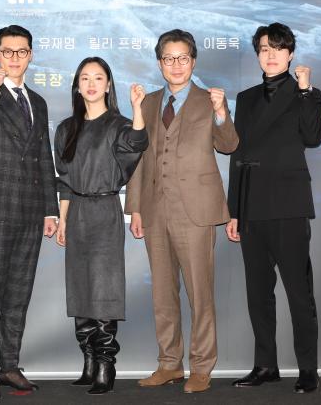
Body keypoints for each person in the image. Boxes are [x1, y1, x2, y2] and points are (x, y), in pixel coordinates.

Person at [124, 29, 238, 394]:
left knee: (199, 294)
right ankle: (169, 364)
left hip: (197, 212)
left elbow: (229, 144)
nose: (176, 64)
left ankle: (202, 367)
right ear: (160, 63)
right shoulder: (148, 102)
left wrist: (222, 113)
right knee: (162, 293)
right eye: (169, 58)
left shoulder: (211, 100)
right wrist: (136, 209)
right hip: (156, 211)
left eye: (183, 57)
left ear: (193, 61)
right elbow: (141, 159)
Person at [226, 22, 321, 394]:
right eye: (264, 49)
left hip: (288, 204)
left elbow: (313, 138)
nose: (270, 55)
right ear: (257, 54)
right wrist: (234, 209)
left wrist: (305, 91)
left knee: (299, 292)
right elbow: (238, 153)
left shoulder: (306, 93)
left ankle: (308, 369)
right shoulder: (246, 97)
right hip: (251, 207)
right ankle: (265, 365)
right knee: (258, 293)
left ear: (291, 53)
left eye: (278, 48)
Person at [0, 25, 59, 399]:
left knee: (18, 295)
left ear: (31, 55)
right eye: (8, 51)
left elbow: (44, 159)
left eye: (22, 51)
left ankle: (10, 367)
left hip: (31, 210)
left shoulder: (38, 102)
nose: (15, 58)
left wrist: (50, 211)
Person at [54, 57, 148, 395]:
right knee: (80, 287)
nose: (91, 83)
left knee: (104, 288)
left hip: (105, 210)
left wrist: (138, 109)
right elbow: (63, 180)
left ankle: (106, 365)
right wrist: (62, 220)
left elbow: (136, 145)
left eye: (98, 77)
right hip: (76, 210)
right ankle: (89, 360)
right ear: (77, 86)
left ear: (109, 85)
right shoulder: (66, 128)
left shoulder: (119, 124)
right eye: (85, 78)